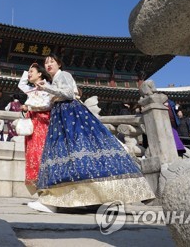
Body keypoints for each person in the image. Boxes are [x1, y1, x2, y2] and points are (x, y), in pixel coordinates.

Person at [30, 54, 155, 212]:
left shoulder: (65, 75)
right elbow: (53, 100)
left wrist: (46, 88)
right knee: (61, 155)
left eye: (52, 62)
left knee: (79, 151)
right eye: (46, 62)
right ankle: (52, 200)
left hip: (71, 115)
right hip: (60, 117)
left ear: (59, 64)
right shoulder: (54, 80)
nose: (48, 64)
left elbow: (68, 94)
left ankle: (110, 196)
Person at [17, 63, 53, 195]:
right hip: (33, 126)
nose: (29, 74)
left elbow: (46, 104)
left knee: (40, 154)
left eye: (32, 71)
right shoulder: (32, 89)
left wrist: (29, 107)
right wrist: (28, 70)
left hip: (42, 125)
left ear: (40, 74)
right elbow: (21, 85)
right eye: (29, 72)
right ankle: (40, 191)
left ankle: (45, 189)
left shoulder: (46, 87)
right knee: (31, 154)